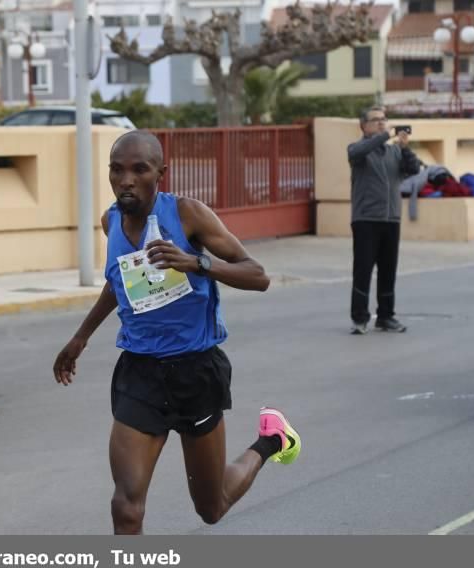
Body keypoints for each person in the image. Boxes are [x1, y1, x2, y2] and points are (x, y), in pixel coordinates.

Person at [52, 130, 301, 534]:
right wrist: (80, 337)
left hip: (195, 370)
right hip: (140, 372)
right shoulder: (111, 221)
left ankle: (272, 441)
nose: (126, 179)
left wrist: (196, 263)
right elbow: (121, 282)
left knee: (211, 506)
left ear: (161, 173)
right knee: (126, 506)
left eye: (139, 170)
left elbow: (258, 276)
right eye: (117, 170)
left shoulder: (188, 215)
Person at [347, 106, 420, 335]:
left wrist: (405, 147)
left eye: (384, 120)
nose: (381, 123)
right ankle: (360, 318)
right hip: (366, 219)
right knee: (363, 270)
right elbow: (358, 152)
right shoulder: (358, 150)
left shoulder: (394, 152)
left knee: (388, 270)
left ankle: (386, 316)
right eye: (376, 120)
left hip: (391, 219)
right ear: (364, 126)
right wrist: (384, 136)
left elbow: (413, 168)